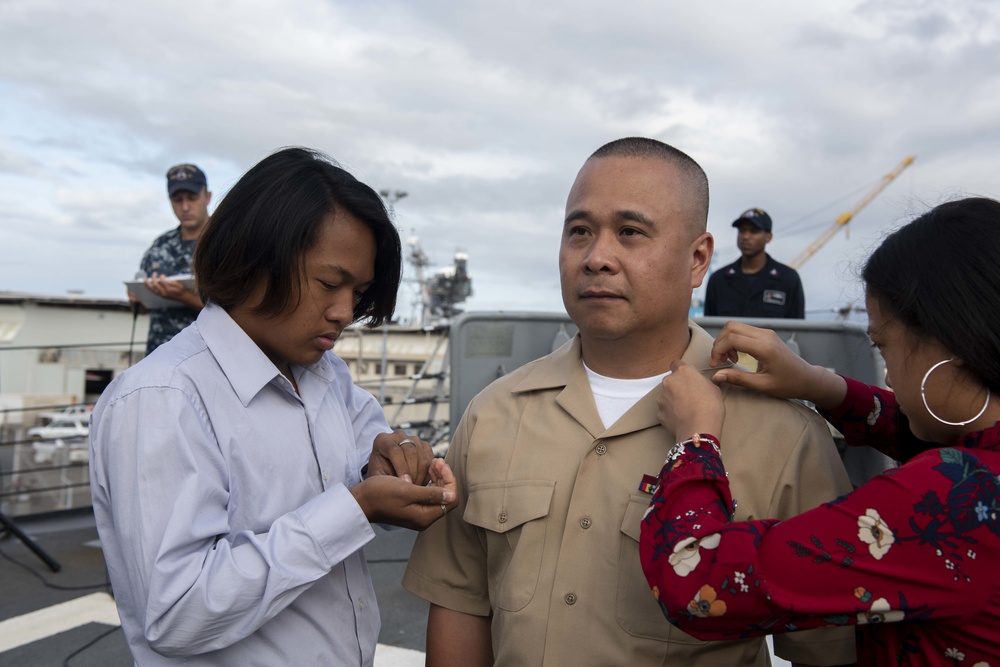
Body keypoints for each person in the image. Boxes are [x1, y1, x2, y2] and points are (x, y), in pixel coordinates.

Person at [403, 137, 856, 666]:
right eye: (579, 232)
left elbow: (827, 650)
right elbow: (461, 605)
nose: (596, 258)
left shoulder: (785, 437)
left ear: (697, 258)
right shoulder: (494, 414)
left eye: (630, 233)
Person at [90, 147, 459, 666]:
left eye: (359, 292)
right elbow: (174, 613)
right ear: (254, 258)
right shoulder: (163, 399)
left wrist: (395, 456)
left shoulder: (324, 372)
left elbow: (366, 447)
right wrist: (355, 509)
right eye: (330, 284)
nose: (345, 312)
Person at [640, 197, 1000, 665]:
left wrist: (695, 438)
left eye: (883, 345)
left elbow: (697, 580)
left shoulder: (955, 504)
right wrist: (822, 387)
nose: (887, 375)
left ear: (950, 341)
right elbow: (943, 430)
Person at [131, 163, 211, 355]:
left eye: (192, 198)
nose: (185, 207)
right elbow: (143, 310)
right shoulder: (160, 245)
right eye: (177, 200)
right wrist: (138, 299)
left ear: (207, 197)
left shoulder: (224, 241)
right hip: (159, 356)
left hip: (205, 357)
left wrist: (182, 295)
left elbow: (235, 309)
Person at [703, 207, 805, 319]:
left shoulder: (788, 279)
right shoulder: (718, 280)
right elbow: (709, 331)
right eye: (742, 230)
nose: (746, 237)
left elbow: (797, 331)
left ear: (768, 237)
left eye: (754, 231)